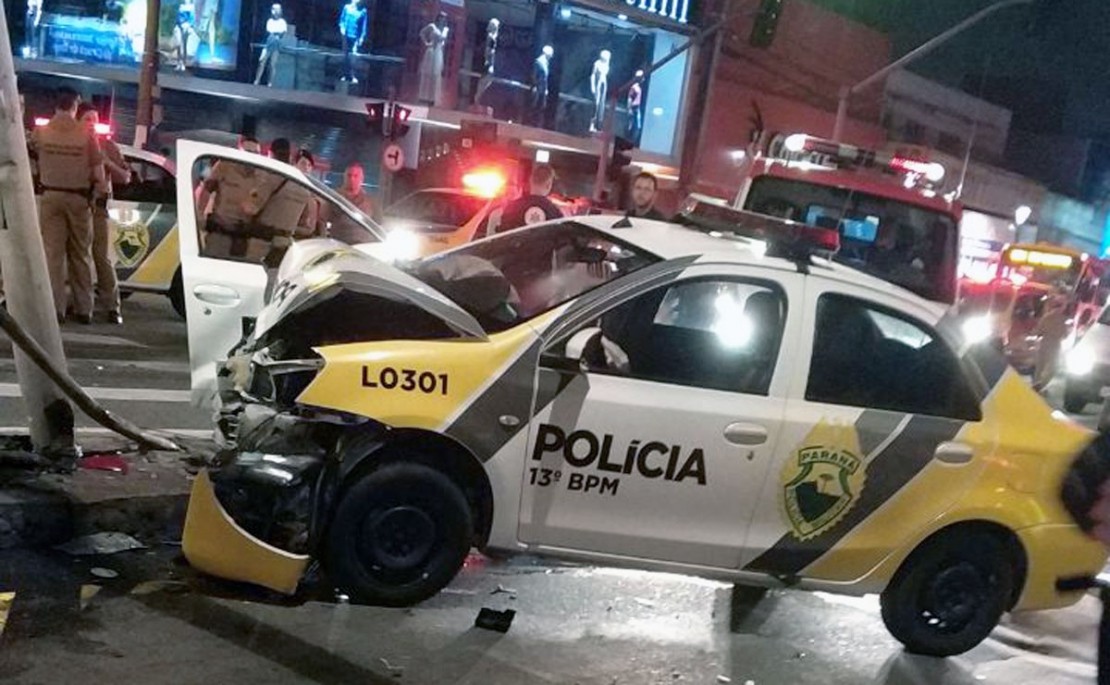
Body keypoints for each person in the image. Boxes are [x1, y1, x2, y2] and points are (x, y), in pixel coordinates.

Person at [33, 88, 106, 325]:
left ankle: (56, 309)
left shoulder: (41, 132)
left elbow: (31, 162)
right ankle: (84, 309)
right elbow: (98, 172)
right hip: (78, 200)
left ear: (56, 105)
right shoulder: (86, 134)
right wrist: (99, 195)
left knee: (53, 255)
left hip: (50, 196)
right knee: (80, 255)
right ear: (75, 106)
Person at [77, 103, 130, 324]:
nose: (92, 124)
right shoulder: (73, 142)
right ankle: (79, 304)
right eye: (87, 119)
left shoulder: (107, 146)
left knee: (101, 257)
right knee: (77, 258)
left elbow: (125, 177)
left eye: (94, 119)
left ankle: (112, 305)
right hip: (77, 206)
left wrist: (106, 162)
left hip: (98, 207)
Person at [195, 135, 262, 259]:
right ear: (239, 150)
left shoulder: (263, 175)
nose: (251, 156)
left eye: (255, 153)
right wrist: (199, 214)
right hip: (220, 232)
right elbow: (206, 190)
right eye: (248, 152)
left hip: (243, 237)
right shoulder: (225, 165)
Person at [496, 164, 562, 232]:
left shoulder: (512, 207)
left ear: (530, 181)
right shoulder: (554, 212)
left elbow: (502, 235)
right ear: (548, 185)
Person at [329, 163, 374, 244]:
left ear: (361, 178)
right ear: (344, 177)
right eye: (349, 175)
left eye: (356, 176)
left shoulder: (370, 201)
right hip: (338, 243)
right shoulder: (333, 197)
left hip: (362, 246)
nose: (352, 179)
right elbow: (323, 218)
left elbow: (376, 226)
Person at [1033, 293, 1068, 392]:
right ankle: (1041, 385)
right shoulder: (1062, 319)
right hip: (1055, 344)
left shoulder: (1046, 317)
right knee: (1052, 368)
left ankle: (1036, 384)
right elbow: (1065, 335)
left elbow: (1039, 331)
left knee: (1040, 366)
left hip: (1044, 342)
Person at [418, 12, 449, 105]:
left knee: (435, 75)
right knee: (427, 74)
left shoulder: (445, 29)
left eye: (444, 18)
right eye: (441, 17)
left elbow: (443, 40)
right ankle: (423, 96)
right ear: (438, 18)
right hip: (431, 51)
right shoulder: (432, 26)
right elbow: (421, 33)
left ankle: (432, 98)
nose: (442, 19)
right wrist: (426, 43)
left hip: (439, 52)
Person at [254, 3, 287, 87]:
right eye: (275, 9)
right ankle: (257, 80)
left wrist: (277, 35)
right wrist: (275, 34)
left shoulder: (282, 22)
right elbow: (269, 31)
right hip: (268, 44)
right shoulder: (270, 21)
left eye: (278, 9)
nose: (276, 11)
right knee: (262, 62)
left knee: (272, 64)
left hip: (276, 45)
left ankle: (270, 83)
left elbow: (282, 33)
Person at [338, 0, 367, 85]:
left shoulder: (363, 11)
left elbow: (363, 27)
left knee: (353, 57)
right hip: (346, 36)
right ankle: (345, 75)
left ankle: (353, 75)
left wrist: (361, 38)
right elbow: (341, 21)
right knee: (346, 56)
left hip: (355, 37)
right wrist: (342, 29)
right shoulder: (346, 8)